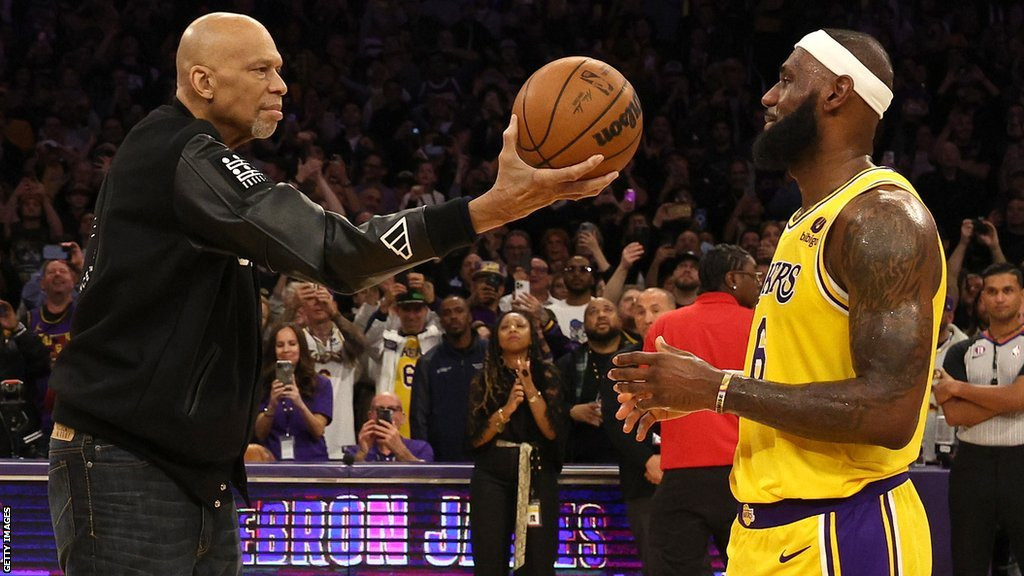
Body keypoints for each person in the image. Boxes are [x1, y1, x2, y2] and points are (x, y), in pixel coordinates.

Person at [46, 12, 615, 575]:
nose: (281, 84)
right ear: (203, 82)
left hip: (182, 469)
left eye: (280, 69)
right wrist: (488, 209)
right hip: (128, 461)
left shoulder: (192, 162)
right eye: (262, 69)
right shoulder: (182, 152)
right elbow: (337, 253)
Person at [613, 29, 945, 575]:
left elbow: (890, 411)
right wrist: (698, 392)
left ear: (837, 93)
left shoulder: (881, 218)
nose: (768, 96)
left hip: (844, 527)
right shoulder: (802, 221)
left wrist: (717, 387)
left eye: (788, 79)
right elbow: (802, 371)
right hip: (765, 528)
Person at [643, 244, 758, 575]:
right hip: (744, 473)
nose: (760, 284)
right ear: (733, 279)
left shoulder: (664, 326)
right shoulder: (762, 325)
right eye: (754, 276)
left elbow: (648, 397)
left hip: (681, 475)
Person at [934, 262, 1024, 575]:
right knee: (967, 563)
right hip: (971, 464)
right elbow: (955, 414)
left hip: (1020, 461)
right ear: (982, 298)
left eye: (1008, 291)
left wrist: (959, 387)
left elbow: (1019, 397)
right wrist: (1012, 400)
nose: (1000, 298)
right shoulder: (961, 350)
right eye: (992, 291)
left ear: (1022, 296)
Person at [557, 298, 655, 570]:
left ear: (621, 318)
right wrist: (571, 411)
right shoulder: (569, 362)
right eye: (592, 312)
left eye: (607, 310)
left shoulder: (636, 356)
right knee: (590, 558)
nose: (600, 316)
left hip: (636, 468)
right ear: (582, 323)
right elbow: (551, 408)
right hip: (583, 468)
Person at [467, 310, 565, 575]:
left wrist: (531, 389)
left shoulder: (548, 374)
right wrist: (507, 409)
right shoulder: (483, 379)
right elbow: (476, 439)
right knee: (489, 556)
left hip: (537, 471)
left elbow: (552, 432)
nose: (512, 329)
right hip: (492, 473)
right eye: (505, 326)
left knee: (539, 557)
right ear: (496, 338)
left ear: (531, 336)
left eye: (519, 325)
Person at [295, 282, 366, 459]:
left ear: (334, 303)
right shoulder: (297, 339)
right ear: (303, 306)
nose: (318, 303)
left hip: (342, 434)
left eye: (324, 298)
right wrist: (292, 306)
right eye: (311, 299)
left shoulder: (345, 336)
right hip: (308, 431)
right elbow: (275, 340)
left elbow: (362, 344)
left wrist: (335, 314)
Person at [410, 295, 486, 461]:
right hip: (443, 455)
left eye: (459, 311)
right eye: (447, 313)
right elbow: (419, 416)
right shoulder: (427, 362)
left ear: (470, 316)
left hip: (487, 454)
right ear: (441, 321)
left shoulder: (490, 356)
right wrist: (424, 455)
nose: (453, 317)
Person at [253, 322, 332, 461]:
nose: (286, 349)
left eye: (292, 343)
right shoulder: (262, 384)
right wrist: (271, 405)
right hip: (274, 462)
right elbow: (260, 434)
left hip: (312, 462)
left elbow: (318, 430)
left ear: (301, 347)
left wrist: (299, 403)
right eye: (280, 345)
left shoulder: (321, 384)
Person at [347, 392, 433, 462]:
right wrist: (362, 454)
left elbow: (425, 478)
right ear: (370, 416)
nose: (385, 414)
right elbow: (350, 480)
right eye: (379, 410)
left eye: (392, 409)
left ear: (402, 417)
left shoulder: (421, 448)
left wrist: (400, 450)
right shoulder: (354, 451)